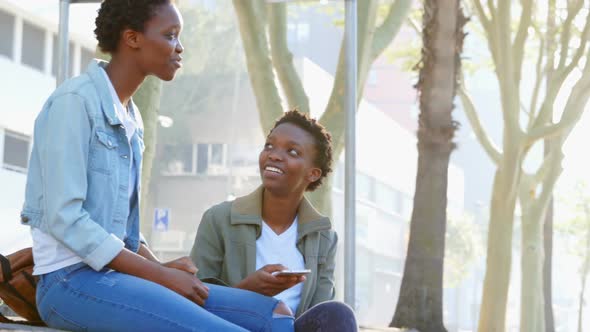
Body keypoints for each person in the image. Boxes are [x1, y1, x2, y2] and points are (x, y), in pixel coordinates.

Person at [20, 1, 293, 331]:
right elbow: (65, 219)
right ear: (132, 38)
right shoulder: (74, 103)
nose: (180, 47)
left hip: (116, 277)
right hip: (69, 283)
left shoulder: (132, 120)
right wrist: (160, 276)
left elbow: (123, 231)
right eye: (170, 35)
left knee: (273, 316)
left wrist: (162, 267)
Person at [191, 110, 358, 331]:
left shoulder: (324, 237)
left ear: (313, 174)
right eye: (269, 146)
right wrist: (248, 291)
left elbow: (321, 313)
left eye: (292, 151)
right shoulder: (219, 219)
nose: (274, 155)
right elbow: (193, 300)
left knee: (338, 313)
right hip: (234, 327)